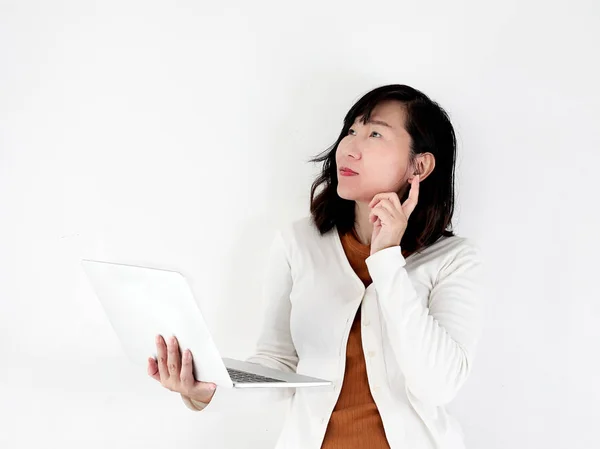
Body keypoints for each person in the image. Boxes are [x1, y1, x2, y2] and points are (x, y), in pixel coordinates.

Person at [147, 84, 483, 449]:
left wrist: (386, 260)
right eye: (350, 131)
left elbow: (439, 384)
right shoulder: (297, 243)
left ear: (419, 165)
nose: (350, 148)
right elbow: (277, 364)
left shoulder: (454, 259)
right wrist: (207, 388)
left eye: (374, 134)